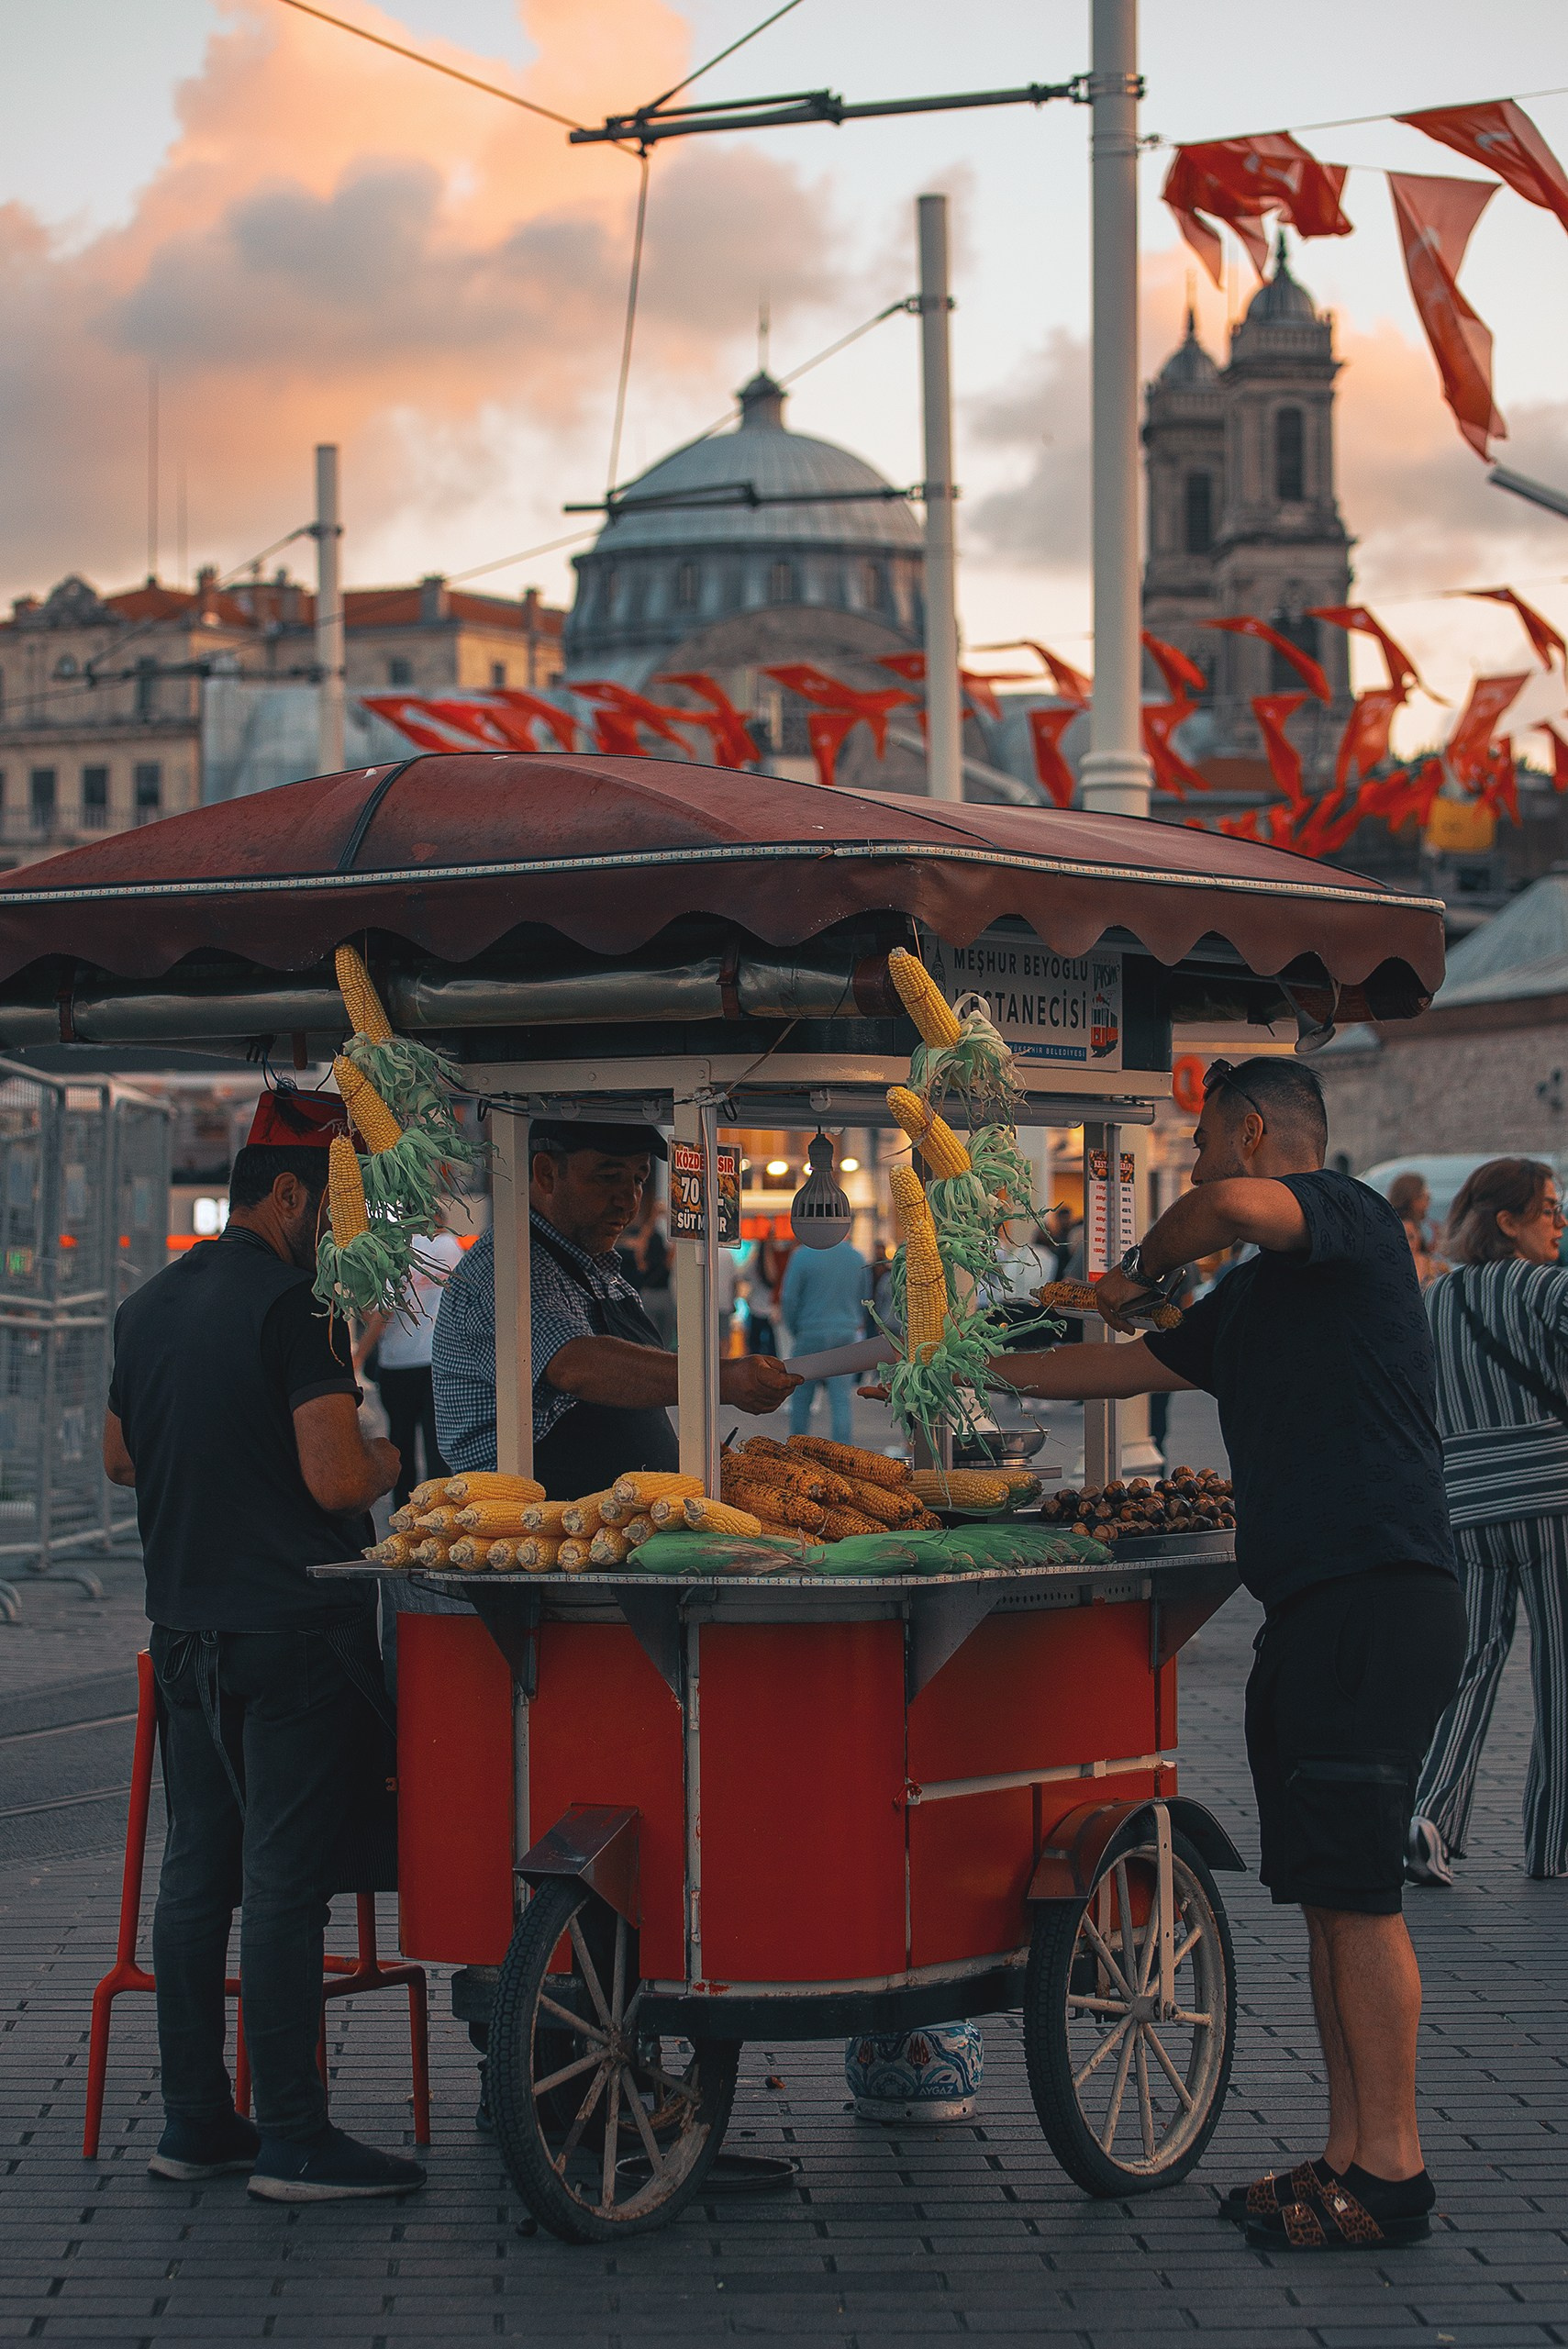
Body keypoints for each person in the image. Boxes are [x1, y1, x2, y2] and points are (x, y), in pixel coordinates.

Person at [962, 1056, 1465, 2253]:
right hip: (1311, 1609)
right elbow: (1127, 1364)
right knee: (1328, 1907)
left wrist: (1139, 1265)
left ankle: (1391, 2172)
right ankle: (1346, 2155)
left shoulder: (1341, 1219)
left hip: (1372, 1601)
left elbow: (1228, 1213)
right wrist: (957, 1369)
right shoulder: (1256, 1301)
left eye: (1195, 1148)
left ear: (1249, 1132)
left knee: (1359, 1897)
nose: (1192, 1170)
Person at [102, 1088, 425, 2203]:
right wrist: (392, 1460)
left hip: (185, 1629)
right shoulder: (297, 1309)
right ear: (287, 1191)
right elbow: (337, 1477)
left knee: (199, 1879)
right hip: (291, 1635)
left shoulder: (146, 1305)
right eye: (330, 1205)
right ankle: (294, 2137)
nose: (337, 1230)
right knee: (285, 1888)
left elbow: (119, 1458)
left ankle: (196, 2122)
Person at [432, 1120, 797, 1494]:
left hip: (621, 1521)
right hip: (544, 1525)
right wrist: (723, 1379)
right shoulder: (505, 1268)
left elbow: (631, 1402)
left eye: (638, 1179)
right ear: (546, 1174)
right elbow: (575, 1365)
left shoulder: (601, 1271)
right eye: (608, 1177)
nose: (629, 1200)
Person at [1407, 1157, 1568, 1887]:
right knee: (1559, 1673)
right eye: (1548, 1211)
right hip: (1554, 1499)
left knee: (1468, 1665)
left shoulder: (1433, 1300)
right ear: (1507, 1222)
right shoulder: (1550, 1289)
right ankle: (1553, 1844)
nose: (1559, 1224)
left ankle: (1428, 1819)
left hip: (1466, 1505)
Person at [353, 1208, 465, 1508]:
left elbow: (380, 1314)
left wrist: (359, 1356)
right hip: (438, 1360)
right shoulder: (450, 1248)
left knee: (400, 1445)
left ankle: (405, 1514)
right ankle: (440, 1512)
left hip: (397, 1363)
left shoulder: (396, 1253)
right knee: (436, 1445)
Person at [781, 1234, 868, 1443]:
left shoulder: (801, 1256)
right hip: (845, 1333)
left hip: (810, 1332)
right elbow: (865, 1297)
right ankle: (843, 1454)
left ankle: (798, 1451)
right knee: (841, 1400)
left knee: (801, 1399)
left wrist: (796, 1328)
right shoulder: (856, 1258)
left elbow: (789, 1298)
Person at [1389, 1172, 1446, 1287]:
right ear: (1413, 1199)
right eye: (1426, 1197)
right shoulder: (1405, 1224)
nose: (1428, 1202)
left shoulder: (1394, 1222)